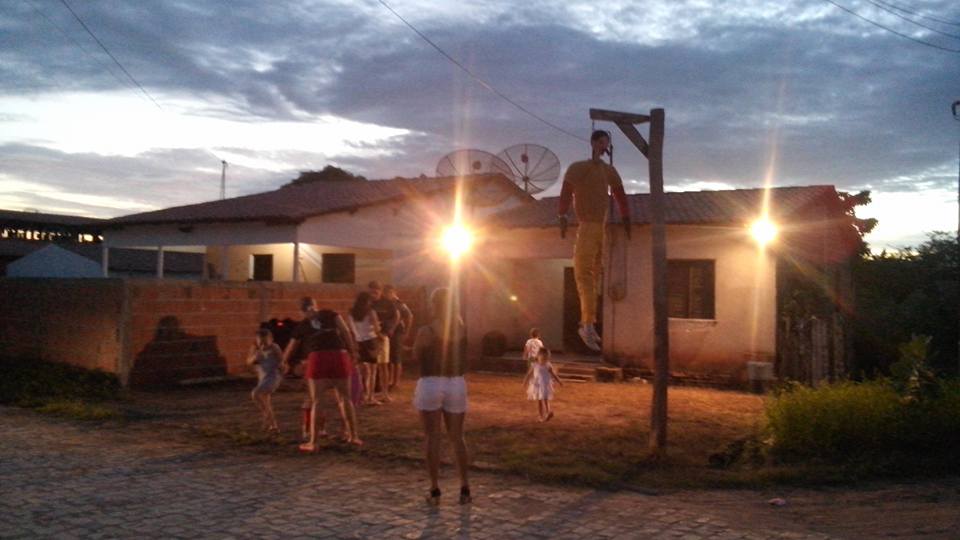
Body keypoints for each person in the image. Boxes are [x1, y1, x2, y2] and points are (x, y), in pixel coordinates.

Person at [557, 129, 631, 352]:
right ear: (593, 142)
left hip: (597, 228)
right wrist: (562, 214)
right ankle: (588, 323)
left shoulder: (608, 170)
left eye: (606, 142)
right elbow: (566, 191)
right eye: (601, 142)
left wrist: (626, 216)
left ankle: (588, 324)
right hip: (591, 225)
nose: (604, 146)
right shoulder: (579, 168)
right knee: (588, 275)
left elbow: (620, 194)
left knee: (588, 275)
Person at [413, 287, 471, 506]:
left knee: (432, 437)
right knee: (458, 437)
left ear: (434, 305)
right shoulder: (461, 327)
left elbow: (416, 354)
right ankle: (465, 487)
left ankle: (435, 488)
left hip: (431, 381)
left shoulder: (426, 331)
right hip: (456, 381)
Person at [283, 297, 361, 451]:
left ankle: (314, 442)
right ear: (315, 305)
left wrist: (283, 362)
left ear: (301, 311)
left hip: (318, 357)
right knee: (345, 398)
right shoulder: (331, 314)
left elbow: (291, 347)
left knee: (317, 401)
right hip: (338, 355)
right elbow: (345, 331)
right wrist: (353, 351)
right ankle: (354, 436)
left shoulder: (303, 325)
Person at [348, 291, 387, 405]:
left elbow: (351, 329)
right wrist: (382, 337)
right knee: (372, 371)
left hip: (359, 341)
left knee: (361, 372)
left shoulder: (351, 313)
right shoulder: (370, 312)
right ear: (367, 301)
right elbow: (377, 329)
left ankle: (360, 396)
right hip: (371, 341)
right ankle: (370, 397)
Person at [246, 328, 283, 434]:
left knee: (255, 394)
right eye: (260, 342)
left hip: (273, 376)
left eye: (265, 342)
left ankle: (266, 416)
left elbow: (281, 360)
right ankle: (273, 426)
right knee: (266, 402)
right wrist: (254, 358)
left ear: (271, 339)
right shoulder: (255, 349)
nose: (263, 344)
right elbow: (248, 362)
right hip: (262, 377)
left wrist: (282, 366)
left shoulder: (274, 347)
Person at [369, 281, 400, 399]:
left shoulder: (387, 303)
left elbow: (396, 316)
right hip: (370, 336)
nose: (373, 294)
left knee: (383, 365)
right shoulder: (367, 302)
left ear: (380, 291)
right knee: (371, 367)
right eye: (371, 292)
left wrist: (391, 329)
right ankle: (370, 393)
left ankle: (384, 393)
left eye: (376, 292)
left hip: (382, 335)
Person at [383, 284, 414, 390]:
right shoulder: (385, 303)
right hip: (387, 332)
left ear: (394, 292)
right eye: (385, 293)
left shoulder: (399, 304)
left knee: (396, 358)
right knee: (389, 358)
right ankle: (390, 380)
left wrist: (407, 332)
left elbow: (410, 316)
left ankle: (396, 382)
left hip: (398, 332)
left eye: (389, 292)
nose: (387, 295)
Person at [522, 347, 563, 422]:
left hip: (545, 385)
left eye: (546, 358)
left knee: (545, 399)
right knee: (540, 401)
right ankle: (541, 416)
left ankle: (548, 412)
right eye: (543, 357)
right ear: (538, 356)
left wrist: (559, 381)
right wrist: (525, 381)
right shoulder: (535, 365)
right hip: (537, 385)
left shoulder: (548, 365)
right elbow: (529, 374)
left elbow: (553, 374)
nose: (545, 359)